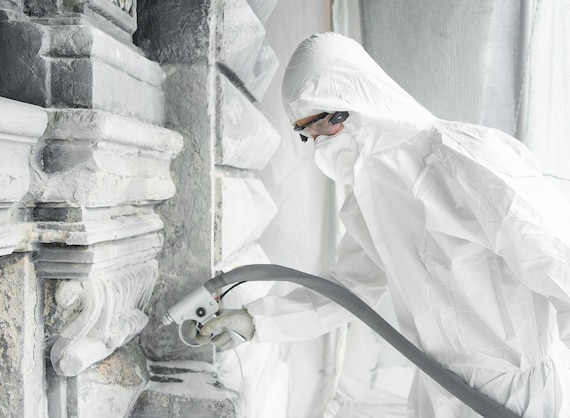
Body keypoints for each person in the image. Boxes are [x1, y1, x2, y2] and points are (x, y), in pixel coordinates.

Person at [194, 32, 570, 417]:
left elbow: (556, 259)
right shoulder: (368, 195)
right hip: (439, 388)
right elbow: (349, 288)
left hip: (518, 395)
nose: (320, 143)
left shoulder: (462, 159)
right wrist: (257, 321)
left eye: (324, 125)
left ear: (353, 100)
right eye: (307, 133)